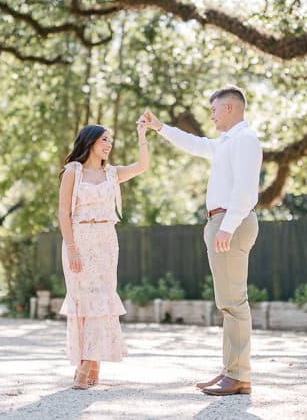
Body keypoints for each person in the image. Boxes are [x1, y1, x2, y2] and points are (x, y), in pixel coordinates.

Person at [142, 85, 262, 396]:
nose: (211, 116)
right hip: (222, 221)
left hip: (230, 222)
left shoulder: (245, 140)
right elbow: (194, 144)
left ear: (229, 108)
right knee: (228, 303)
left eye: (214, 110)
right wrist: (160, 127)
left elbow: (246, 190)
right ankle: (231, 371)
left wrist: (228, 227)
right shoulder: (226, 142)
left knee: (233, 303)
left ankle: (239, 375)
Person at [57, 121, 149, 389]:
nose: (109, 145)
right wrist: (71, 248)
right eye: (104, 140)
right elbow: (63, 213)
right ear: (90, 141)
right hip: (79, 240)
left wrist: (142, 135)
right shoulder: (73, 172)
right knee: (83, 301)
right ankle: (89, 364)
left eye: (111, 140)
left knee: (101, 300)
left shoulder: (112, 174)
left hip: (106, 241)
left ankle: (88, 364)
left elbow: (143, 166)